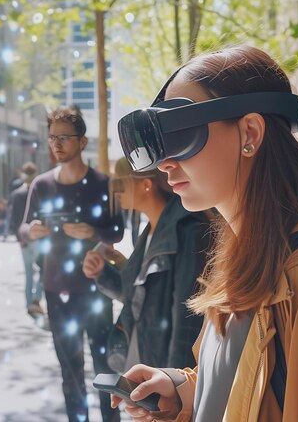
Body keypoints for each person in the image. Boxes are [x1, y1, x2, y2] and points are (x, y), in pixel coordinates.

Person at [112, 46, 298, 421]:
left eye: (181, 133)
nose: (165, 163)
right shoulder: (245, 259)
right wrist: (183, 390)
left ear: (250, 132)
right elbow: (251, 383)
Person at [20, 107, 124, 422]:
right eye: (52, 137)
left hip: (96, 288)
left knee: (105, 368)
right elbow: (22, 229)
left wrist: (93, 232)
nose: (57, 144)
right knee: (70, 371)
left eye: (64, 137)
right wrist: (32, 231)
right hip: (56, 290)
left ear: (82, 142)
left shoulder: (102, 184)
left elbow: (117, 231)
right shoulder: (40, 185)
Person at [82, 158, 210, 373]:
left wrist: (175, 384)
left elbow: (187, 322)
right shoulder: (151, 230)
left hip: (163, 369)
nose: (116, 192)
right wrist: (102, 272)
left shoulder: (187, 231)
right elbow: (136, 297)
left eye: (120, 185)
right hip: (144, 355)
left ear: (146, 185)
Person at [8, 162, 44, 318]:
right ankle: (35, 300)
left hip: (24, 240)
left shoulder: (16, 194)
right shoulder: (40, 193)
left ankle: (29, 302)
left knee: (29, 273)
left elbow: (14, 220)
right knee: (42, 271)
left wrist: (19, 238)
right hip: (37, 238)